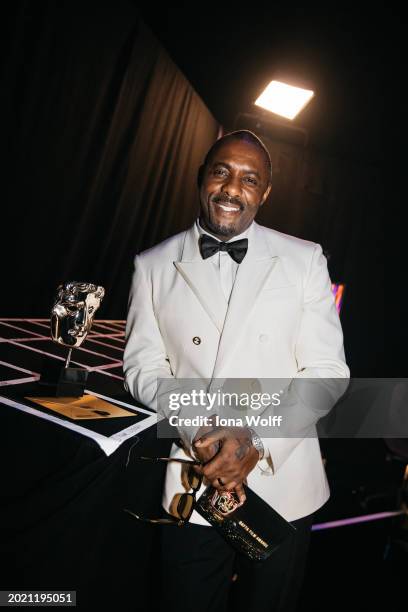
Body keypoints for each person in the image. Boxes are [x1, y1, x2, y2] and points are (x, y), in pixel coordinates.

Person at [123, 130, 349, 611]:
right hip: (191, 482)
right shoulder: (152, 265)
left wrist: (257, 440)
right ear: (201, 177)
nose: (232, 188)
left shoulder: (305, 260)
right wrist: (198, 427)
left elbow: (327, 370)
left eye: (250, 179)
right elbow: (143, 365)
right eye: (221, 171)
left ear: (264, 193)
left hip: (283, 487)